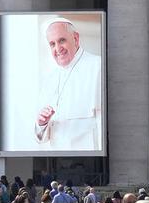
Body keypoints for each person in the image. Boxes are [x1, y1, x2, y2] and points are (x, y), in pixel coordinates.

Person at [35, 17, 103, 150]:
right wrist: (42, 124)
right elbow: (41, 138)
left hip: (90, 159)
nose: (58, 48)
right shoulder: (49, 79)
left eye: (62, 40)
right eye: (52, 44)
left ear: (76, 39)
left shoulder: (99, 67)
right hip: (57, 160)